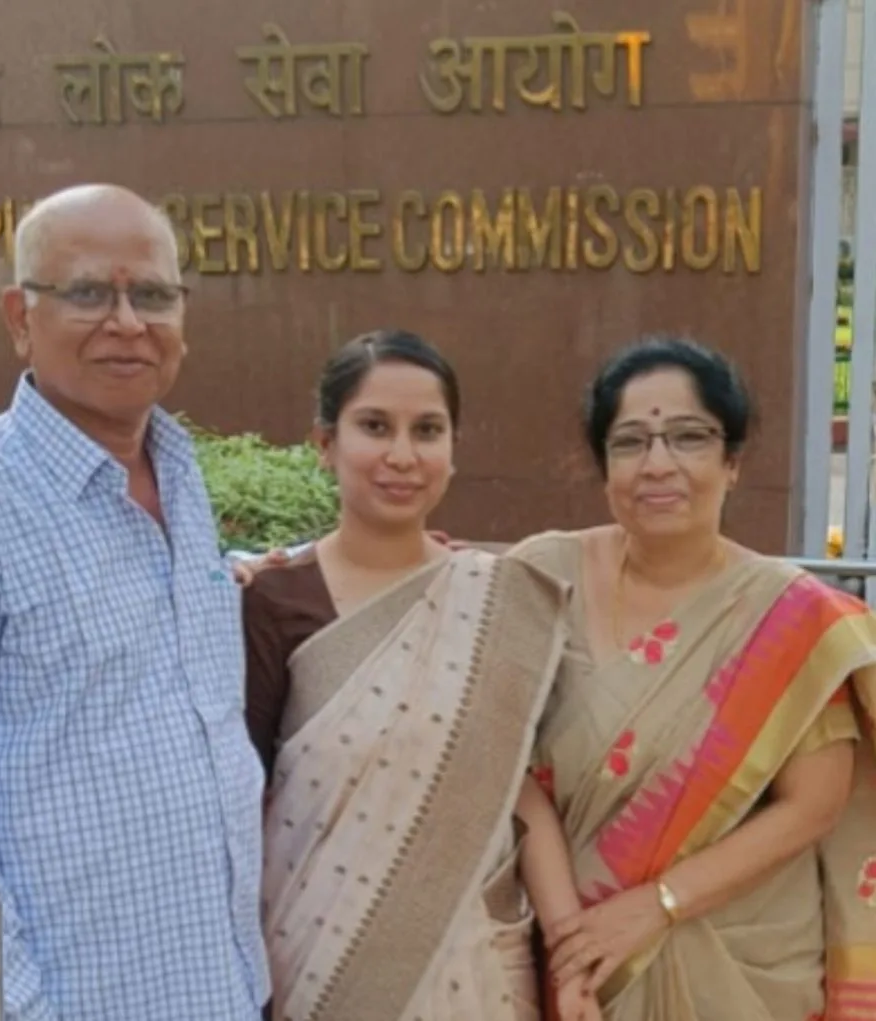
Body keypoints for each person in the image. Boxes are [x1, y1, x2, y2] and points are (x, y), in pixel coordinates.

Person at [0, 185, 268, 1021]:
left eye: (152, 294)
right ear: (19, 317)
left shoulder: (178, 473)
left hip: (216, 983)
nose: (127, 320)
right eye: (87, 292)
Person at [508, 336, 876, 1020]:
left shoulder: (786, 614)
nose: (659, 464)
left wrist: (657, 905)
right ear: (603, 464)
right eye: (630, 442)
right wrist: (575, 946)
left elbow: (814, 803)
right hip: (577, 954)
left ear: (732, 461)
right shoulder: (541, 577)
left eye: (689, 437)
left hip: (738, 960)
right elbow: (513, 773)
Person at [242, 330, 601, 1021]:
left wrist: (569, 953)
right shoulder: (271, 600)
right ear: (325, 443)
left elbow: (519, 795)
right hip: (312, 962)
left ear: (452, 448)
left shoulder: (498, 598)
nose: (402, 455)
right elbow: (236, 800)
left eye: (427, 430)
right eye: (374, 426)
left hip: (475, 970)